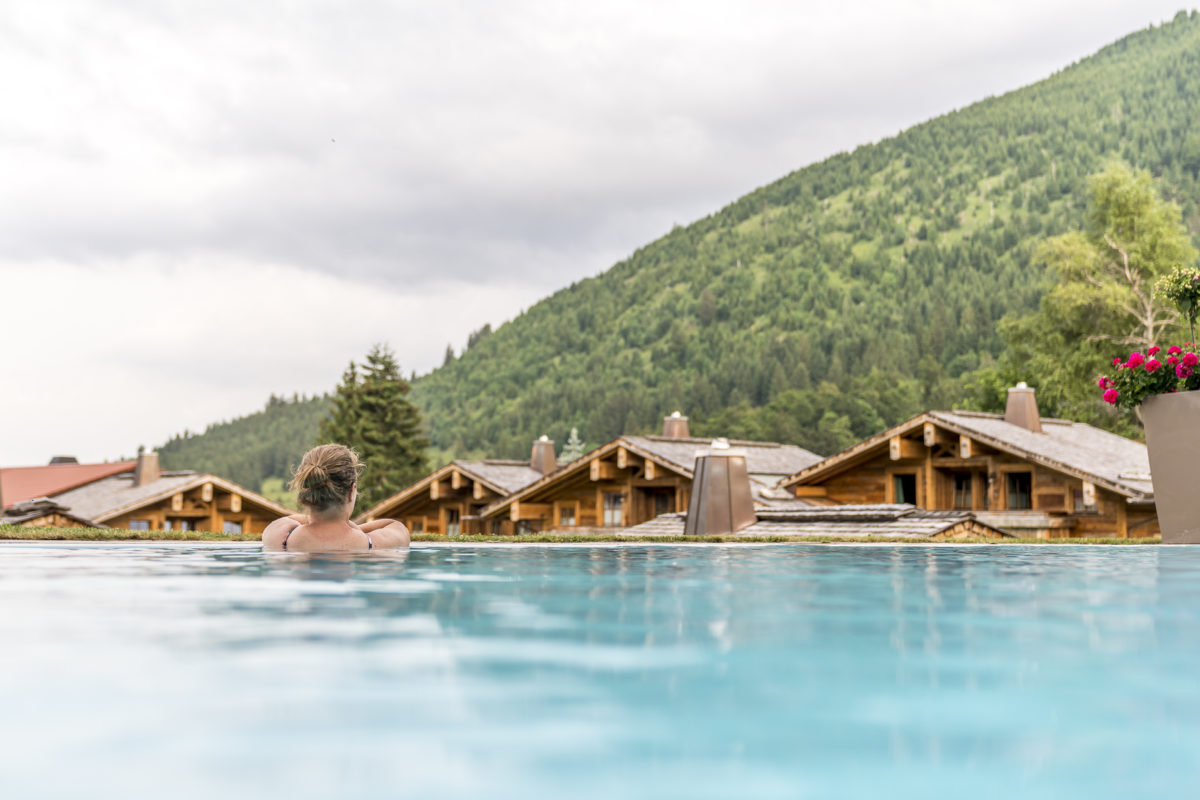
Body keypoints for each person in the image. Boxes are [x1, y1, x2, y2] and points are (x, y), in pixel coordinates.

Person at [262, 444, 410, 551]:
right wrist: (350, 527)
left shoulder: (280, 538)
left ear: (306, 491)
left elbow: (288, 520)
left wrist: (311, 519)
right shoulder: (371, 543)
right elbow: (397, 527)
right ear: (352, 491)